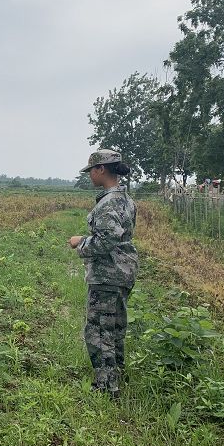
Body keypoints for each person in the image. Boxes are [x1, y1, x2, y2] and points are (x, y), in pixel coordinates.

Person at [69, 149, 138, 400]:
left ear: (101, 170)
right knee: (116, 325)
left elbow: (105, 241)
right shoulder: (125, 199)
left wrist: (80, 243)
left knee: (99, 329)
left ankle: (107, 386)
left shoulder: (109, 202)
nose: (90, 176)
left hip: (108, 274)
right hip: (123, 271)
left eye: (91, 171)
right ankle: (117, 373)